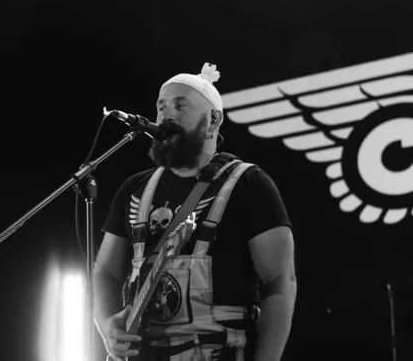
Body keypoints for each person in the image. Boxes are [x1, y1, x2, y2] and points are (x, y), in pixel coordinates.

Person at [93, 63, 297, 361]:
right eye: (161, 107)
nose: (166, 115)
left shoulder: (250, 185)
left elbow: (279, 283)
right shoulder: (133, 189)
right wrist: (105, 324)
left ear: (213, 119)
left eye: (180, 105)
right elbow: (106, 272)